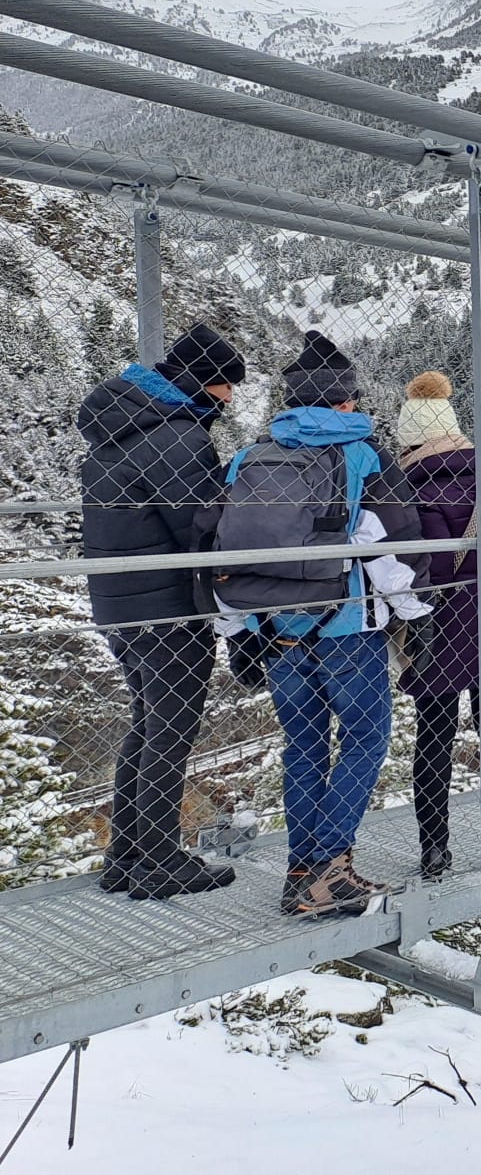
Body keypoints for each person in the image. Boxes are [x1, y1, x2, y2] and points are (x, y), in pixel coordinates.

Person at [209, 331, 430, 918]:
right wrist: (415, 615)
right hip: (348, 624)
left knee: (303, 747)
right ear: (345, 402)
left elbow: (225, 548)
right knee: (364, 740)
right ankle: (332, 868)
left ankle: (301, 874)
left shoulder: (251, 455)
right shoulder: (364, 456)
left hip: (275, 629)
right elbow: (394, 550)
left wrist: (237, 631)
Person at [79, 323, 246, 900]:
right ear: (205, 382)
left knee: (150, 722)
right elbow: (199, 526)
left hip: (120, 601)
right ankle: (156, 859)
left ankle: (126, 853)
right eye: (227, 387)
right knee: (172, 728)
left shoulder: (119, 431)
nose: (230, 401)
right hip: (168, 603)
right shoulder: (177, 437)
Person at [394, 370, 481, 883]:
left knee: (435, 732)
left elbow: (420, 569)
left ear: (411, 438)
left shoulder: (408, 489)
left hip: (440, 625)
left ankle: (436, 850)